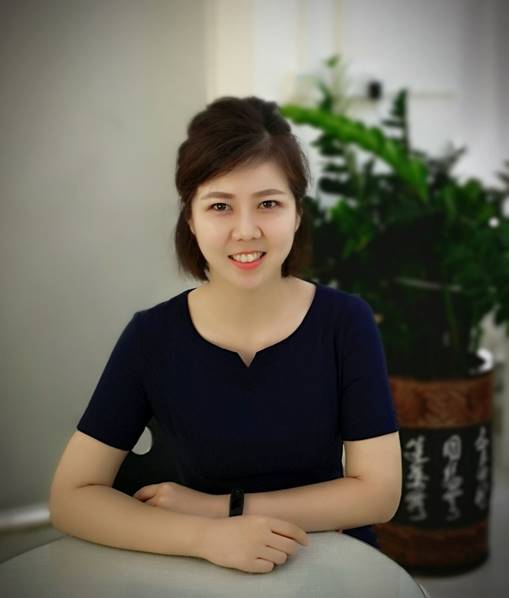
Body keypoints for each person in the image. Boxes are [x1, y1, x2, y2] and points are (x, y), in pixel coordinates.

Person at [49, 96, 402, 575]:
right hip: (197, 567)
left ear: (297, 214)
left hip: (331, 561)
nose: (246, 230)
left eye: (269, 204)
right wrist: (205, 536)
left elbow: (379, 493)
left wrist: (221, 510)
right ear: (191, 220)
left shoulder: (346, 322)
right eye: (220, 206)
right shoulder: (150, 336)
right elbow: (71, 498)